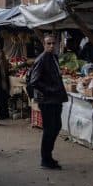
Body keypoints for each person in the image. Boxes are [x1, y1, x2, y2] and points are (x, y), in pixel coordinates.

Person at [28, 34, 68, 170]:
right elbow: (34, 81)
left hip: (55, 100)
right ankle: (45, 159)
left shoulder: (53, 57)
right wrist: (51, 90)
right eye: (48, 43)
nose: (51, 46)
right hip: (48, 101)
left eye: (53, 43)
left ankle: (48, 157)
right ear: (44, 45)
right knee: (50, 129)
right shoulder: (43, 59)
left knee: (56, 127)